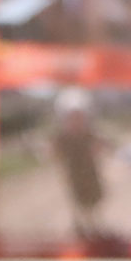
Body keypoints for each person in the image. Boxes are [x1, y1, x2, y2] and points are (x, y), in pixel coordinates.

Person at [50, 88, 109, 242]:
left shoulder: (90, 134)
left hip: (91, 174)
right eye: (72, 118)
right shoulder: (62, 137)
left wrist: (100, 145)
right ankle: (80, 226)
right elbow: (55, 152)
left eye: (79, 117)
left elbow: (101, 144)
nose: (76, 121)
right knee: (78, 200)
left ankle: (94, 226)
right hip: (74, 175)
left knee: (94, 199)